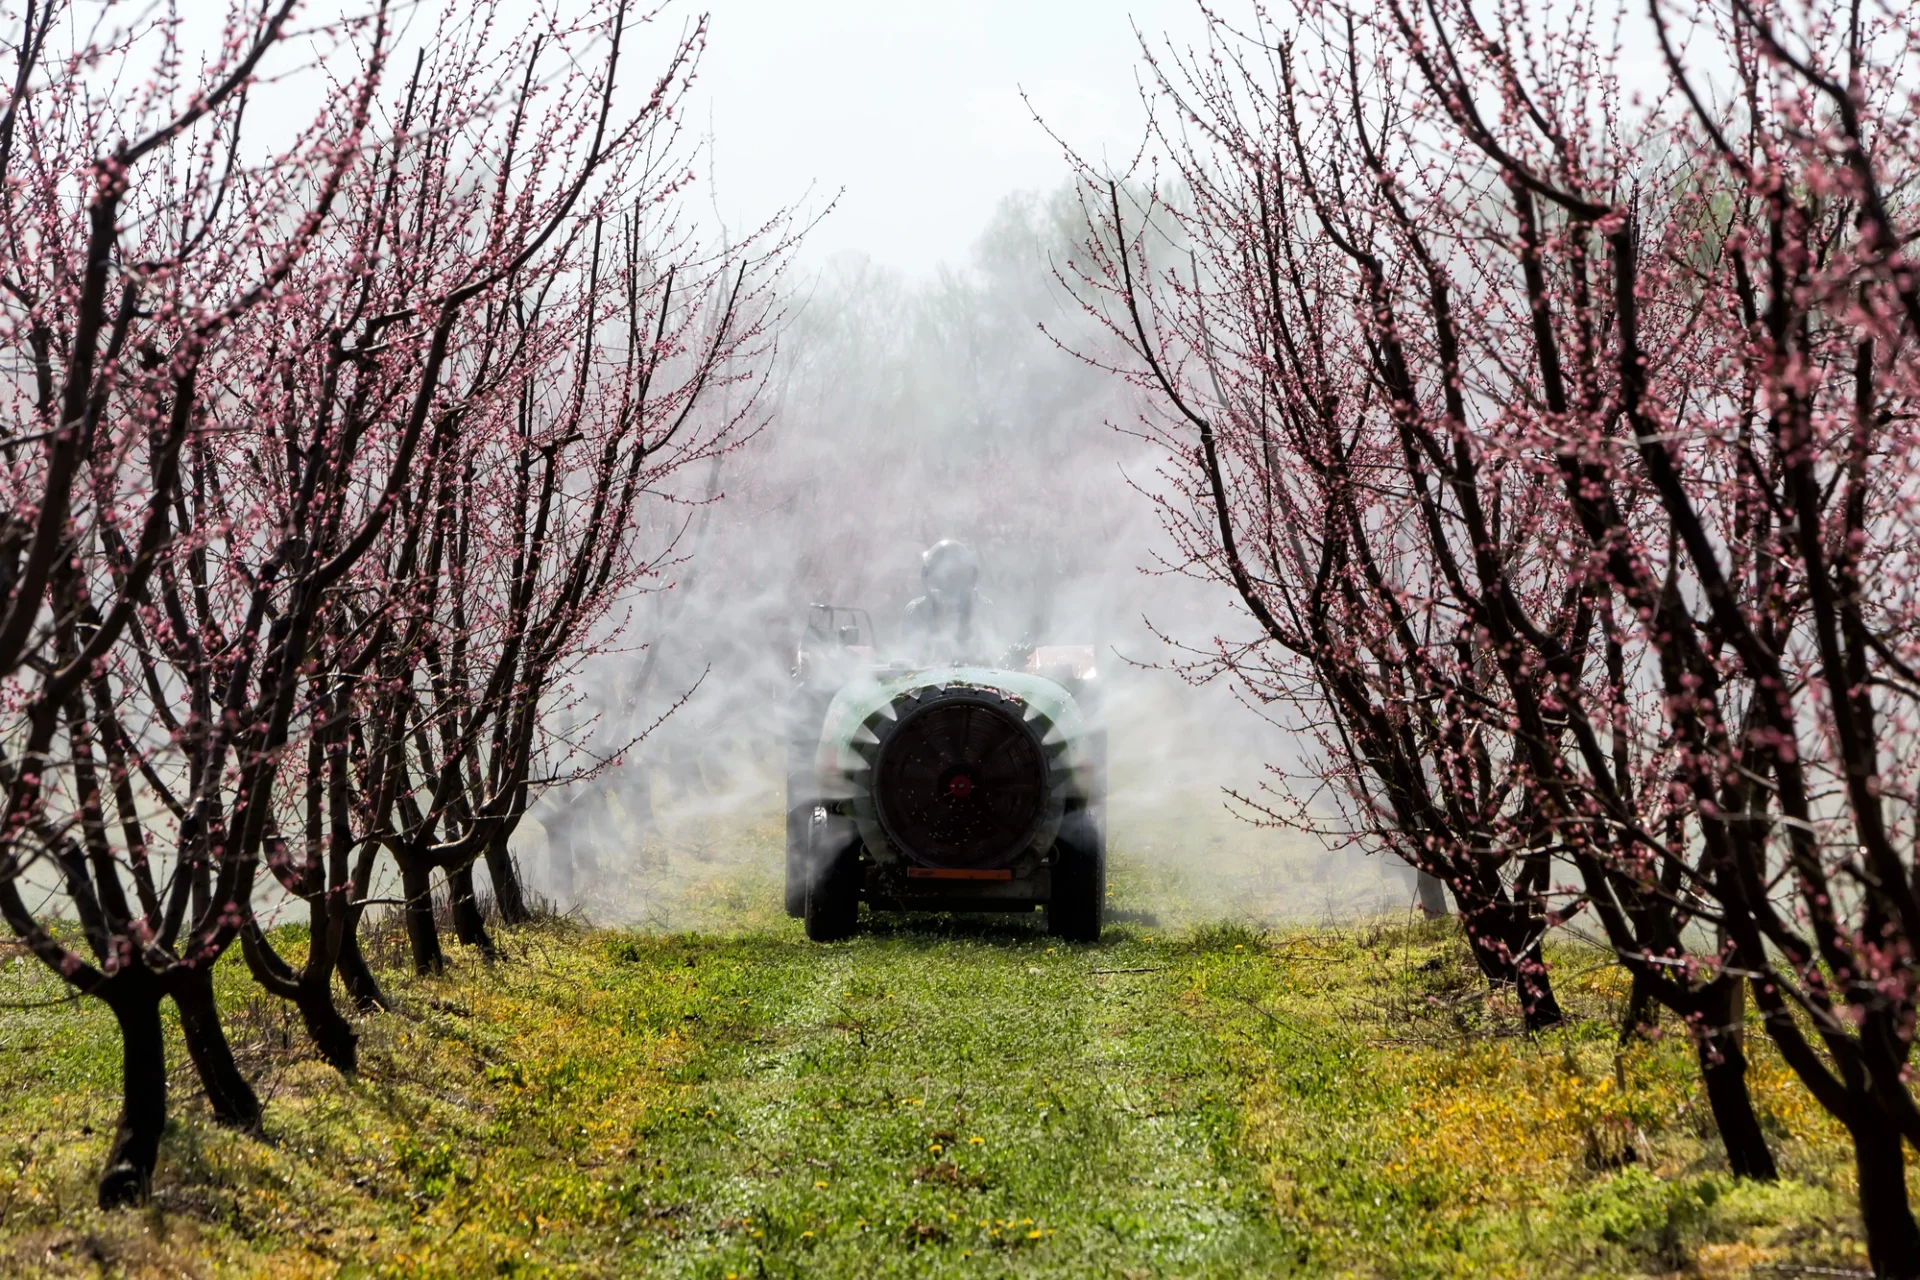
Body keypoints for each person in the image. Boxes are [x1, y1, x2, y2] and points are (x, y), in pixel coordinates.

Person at [902, 539, 990, 664]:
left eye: (958, 577)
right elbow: (909, 659)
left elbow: (994, 656)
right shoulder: (918, 610)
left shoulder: (982, 608)